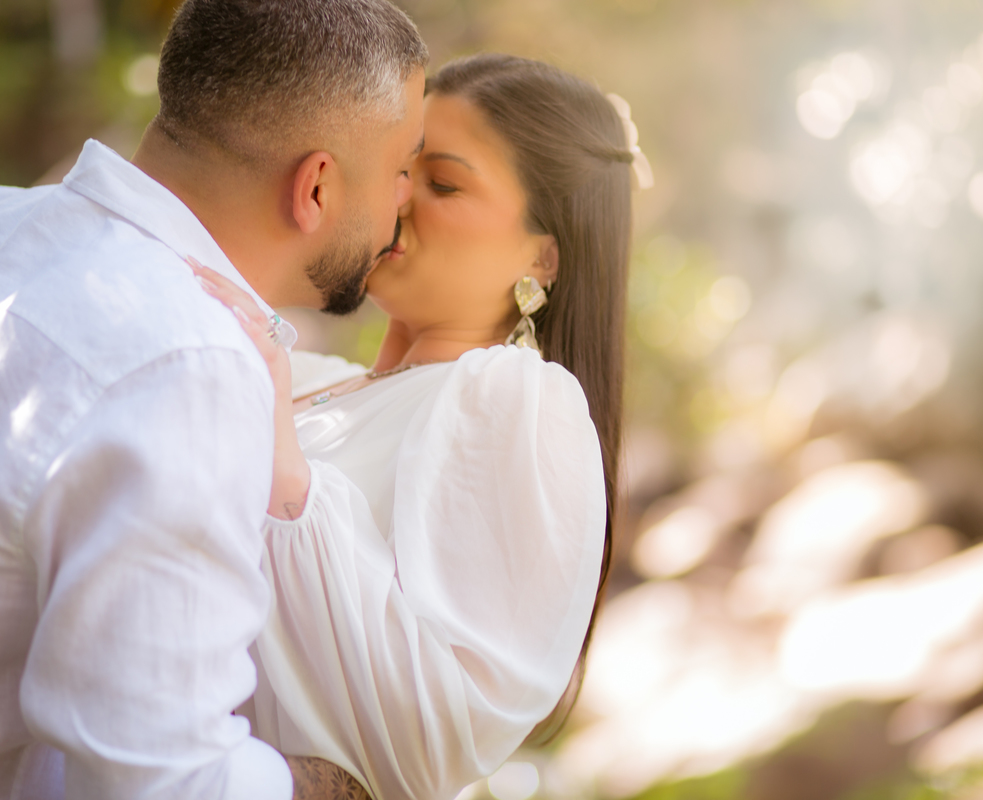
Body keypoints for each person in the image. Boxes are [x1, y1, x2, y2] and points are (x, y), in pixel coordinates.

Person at [0, 2, 425, 798]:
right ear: (315, 186)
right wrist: (330, 785)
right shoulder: (188, 364)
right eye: (401, 167)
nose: (405, 200)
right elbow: (164, 781)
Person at [192, 52, 652, 800]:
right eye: (400, 168)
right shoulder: (321, 385)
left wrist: (283, 466)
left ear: (543, 253)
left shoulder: (517, 399)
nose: (398, 197)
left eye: (442, 183)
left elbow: (436, 730)